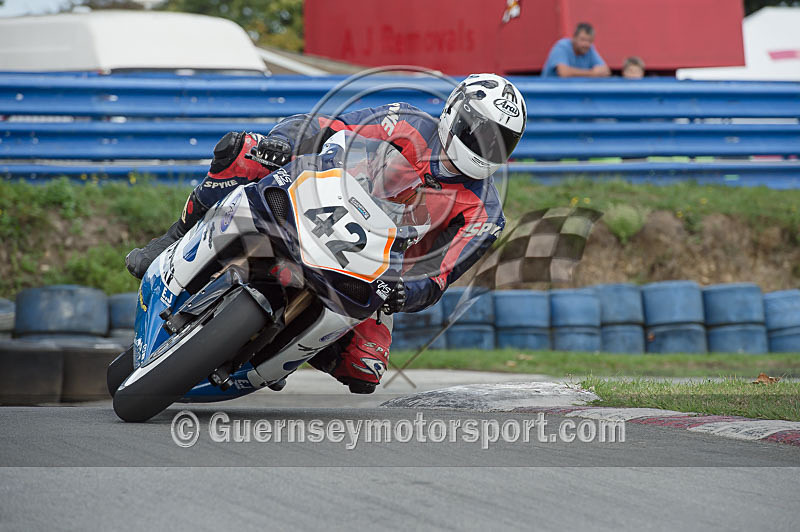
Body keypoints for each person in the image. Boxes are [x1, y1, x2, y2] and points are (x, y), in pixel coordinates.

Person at [125, 73, 527, 393]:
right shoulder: (405, 121)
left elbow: (441, 273)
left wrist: (408, 291)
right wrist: (279, 144)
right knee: (242, 150)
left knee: (365, 370)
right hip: (325, 202)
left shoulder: (487, 213)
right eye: (479, 132)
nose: (485, 147)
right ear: (455, 113)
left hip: (380, 266)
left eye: (500, 142)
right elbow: (325, 126)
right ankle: (175, 236)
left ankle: (284, 343)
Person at [541, 22, 610, 78]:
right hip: (549, 92)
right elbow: (564, 73)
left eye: (590, 41)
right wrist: (592, 73)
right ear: (574, 38)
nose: (586, 44)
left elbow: (606, 71)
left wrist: (597, 72)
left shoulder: (590, 49)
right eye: (583, 40)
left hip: (573, 91)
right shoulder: (562, 47)